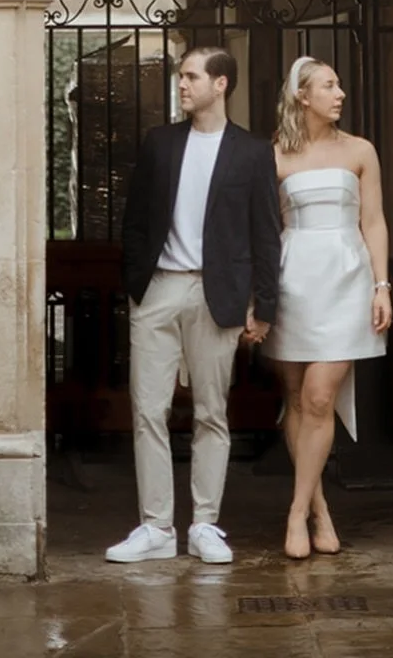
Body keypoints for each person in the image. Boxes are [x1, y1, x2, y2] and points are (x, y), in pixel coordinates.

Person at [108, 45, 282, 565]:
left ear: (221, 83)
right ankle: (156, 526)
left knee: (211, 413)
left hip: (218, 295)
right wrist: (137, 284)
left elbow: (266, 234)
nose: (182, 85)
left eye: (191, 76)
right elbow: (135, 220)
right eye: (181, 77)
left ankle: (205, 524)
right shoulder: (160, 143)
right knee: (147, 410)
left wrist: (264, 306)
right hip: (159, 290)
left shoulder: (252, 152)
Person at [261, 55, 392, 560]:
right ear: (303, 96)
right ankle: (318, 508)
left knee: (319, 396)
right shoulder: (275, 155)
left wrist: (381, 285)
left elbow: (374, 221)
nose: (339, 94)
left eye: (338, 85)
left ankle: (295, 514)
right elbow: (265, 228)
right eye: (329, 86)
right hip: (294, 281)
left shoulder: (360, 150)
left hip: (347, 281)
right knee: (295, 399)